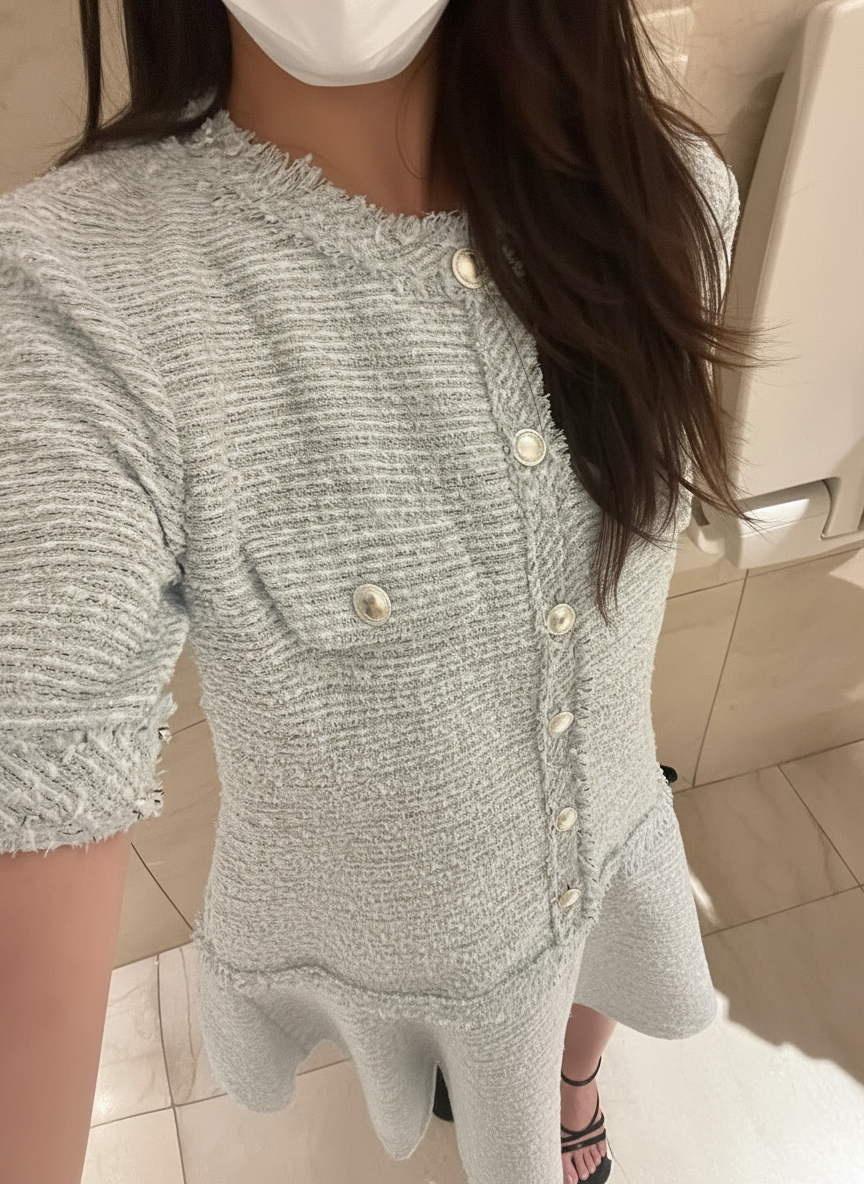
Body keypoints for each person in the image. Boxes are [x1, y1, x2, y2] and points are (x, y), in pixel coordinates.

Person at [0, 3, 764, 1183]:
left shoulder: (674, 190)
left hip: (616, 820)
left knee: (596, 969)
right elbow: (35, 750)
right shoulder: (78, 301)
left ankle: (573, 1080)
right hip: (378, 910)